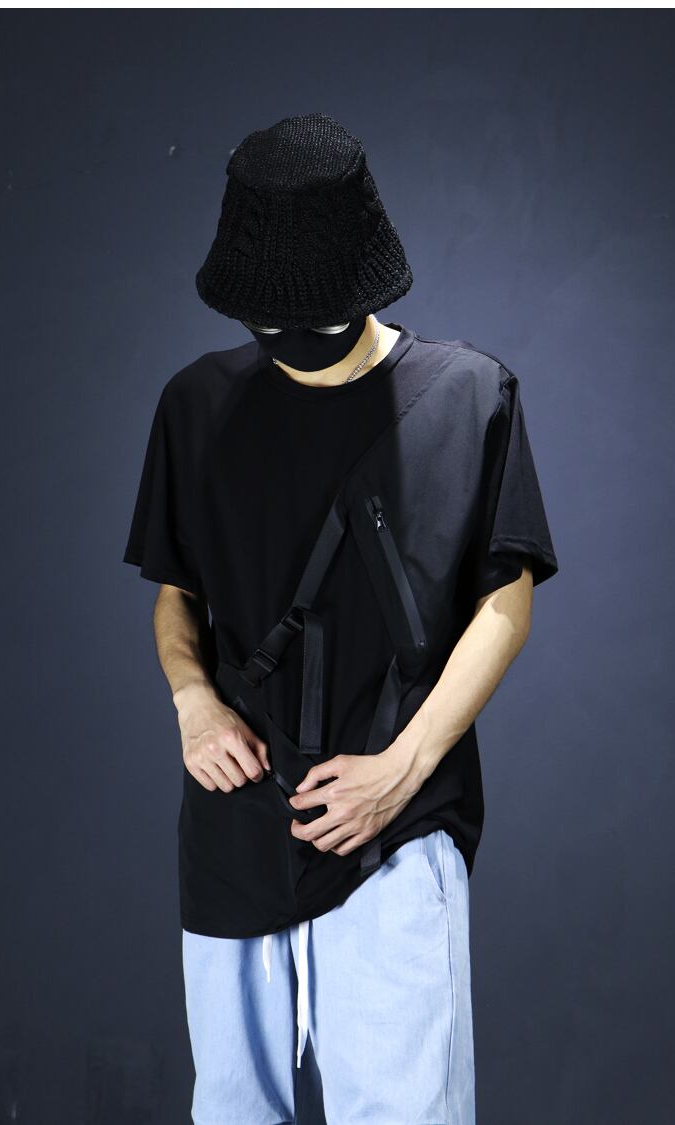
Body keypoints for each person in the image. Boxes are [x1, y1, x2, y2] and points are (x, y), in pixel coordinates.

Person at [123, 113, 559, 1125]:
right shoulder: (197, 405)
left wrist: (402, 769)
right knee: (233, 1112)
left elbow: (506, 601)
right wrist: (192, 702)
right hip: (234, 826)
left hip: (394, 828)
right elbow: (176, 592)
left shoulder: (467, 396)